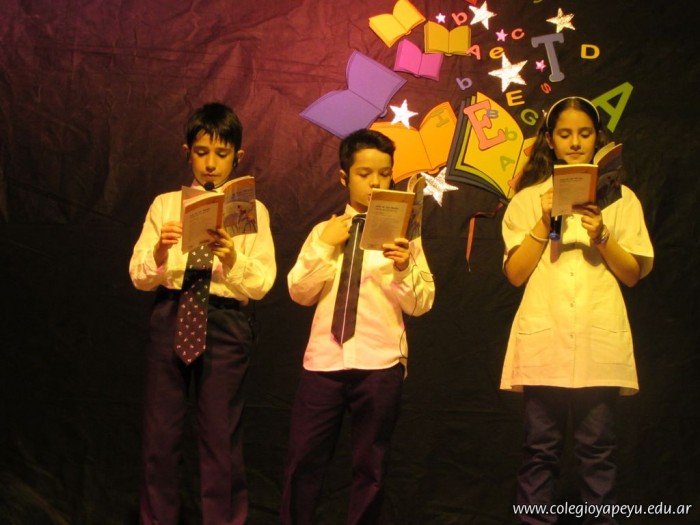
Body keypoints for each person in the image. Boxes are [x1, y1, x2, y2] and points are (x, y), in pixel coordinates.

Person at [500, 96, 654, 524]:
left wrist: (602, 234)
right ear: (550, 140)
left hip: (596, 339)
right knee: (539, 450)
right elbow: (515, 274)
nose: (574, 143)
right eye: (565, 134)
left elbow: (632, 274)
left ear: (598, 140)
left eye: (584, 134)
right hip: (545, 339)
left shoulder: (621, 200)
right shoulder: (527, 200)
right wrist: (543, 220)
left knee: (597, 450)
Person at [129, 102, 276, 525]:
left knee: (220, 437)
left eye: (221, 153)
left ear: (237, 156)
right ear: (187, 152)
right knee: (160, 436)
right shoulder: (165, 205)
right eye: (201, 152)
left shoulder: (251, 209)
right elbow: (138, 276)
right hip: (172, 313)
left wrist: (231, 257)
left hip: (224, 320)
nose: (211, 163)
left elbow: (261, 283)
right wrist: (160, 252)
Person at [281, 129, 435, 524]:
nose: (375, 183)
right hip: (324, 362)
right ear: (344, 177)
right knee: (304, 461)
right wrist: (325, 245)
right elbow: (299, 292)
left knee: (371, 467)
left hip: (379, 363)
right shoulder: (325, 231)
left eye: (384, 174)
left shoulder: (405, 237)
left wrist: (403, 266)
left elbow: (421, 304)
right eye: (365, 174)